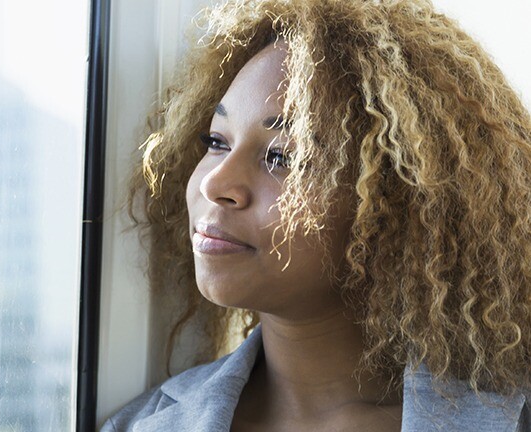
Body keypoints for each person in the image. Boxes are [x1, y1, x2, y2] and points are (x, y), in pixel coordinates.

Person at [102, 0, 531, 431]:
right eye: (216, 141)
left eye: (282, 156)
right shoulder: (140, 424)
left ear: (395, 201)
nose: (215, 184)